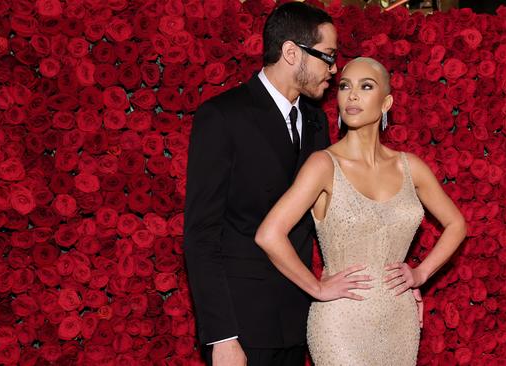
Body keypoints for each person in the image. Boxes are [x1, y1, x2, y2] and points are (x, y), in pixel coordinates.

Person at [255, 57, 468, 365]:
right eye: (344, 86)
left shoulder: (410, 167)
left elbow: (456, 224)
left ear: (386, 102)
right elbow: (269, 234)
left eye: (366, 86)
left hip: (399, 319)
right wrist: (316, 287)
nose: (352, 95)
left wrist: (421, 273)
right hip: (340, 321)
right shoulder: (323, 165)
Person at [183, 3, 340, 365]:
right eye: (327, 56)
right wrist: (222, 336)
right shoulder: (222, 116)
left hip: (298, 319)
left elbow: (322, 221)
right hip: (242, 326)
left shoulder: (317, 122)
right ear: (290, 52)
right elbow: (200, 236)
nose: (333, 69)